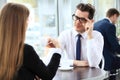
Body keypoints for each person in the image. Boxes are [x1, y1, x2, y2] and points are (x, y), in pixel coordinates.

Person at [0, 3, 61, 80]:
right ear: (20, 25)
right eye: (26, 20)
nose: (27, 24)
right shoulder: (25, 50)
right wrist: (57, 50)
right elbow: (48, 75)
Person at [48, 3, 104, 68]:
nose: (77, 22)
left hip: (92, 75)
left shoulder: (97, 36)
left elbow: (93, 63)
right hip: (70, 75)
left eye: (82, 19)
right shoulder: (65, 35)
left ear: (91, 21)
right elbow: (52, 59)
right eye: (76, 17)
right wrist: (75, 62)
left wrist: (89, 36)